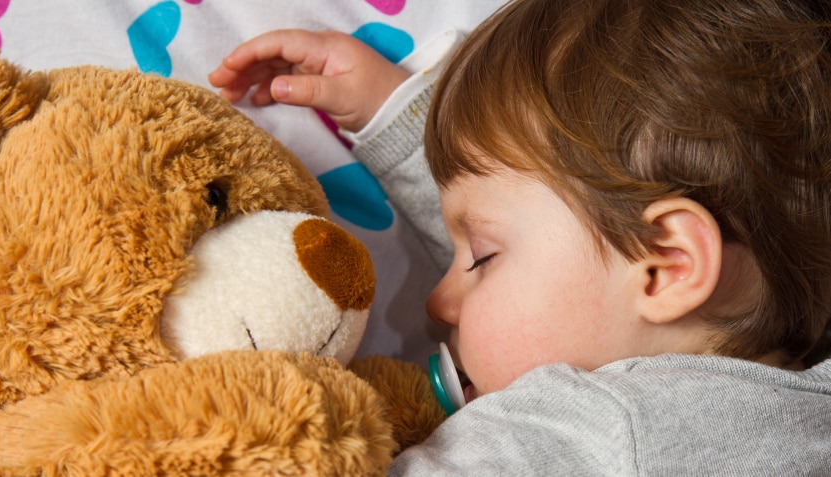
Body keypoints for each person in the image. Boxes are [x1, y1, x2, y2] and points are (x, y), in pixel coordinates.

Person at [210, 0, 831, 474]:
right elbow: (538, 225)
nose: (437, 303)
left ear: (666, 264)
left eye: (480, 257)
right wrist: (396, 114)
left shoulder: (585, 429)